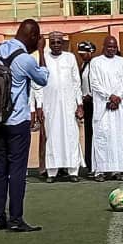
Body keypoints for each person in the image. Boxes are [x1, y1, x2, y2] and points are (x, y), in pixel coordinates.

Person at [0, 19, 49, 231]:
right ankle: (15, 218)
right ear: (33, 37)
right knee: (17, 170)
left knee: (0, 168)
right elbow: (43, 79)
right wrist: (41, 53)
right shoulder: (25, 59)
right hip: (17, 120)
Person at [34, 32, 84, 182]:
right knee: (52, 137)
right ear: (49, 43)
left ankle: (73, 171)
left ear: (63, 43)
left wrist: (79, 104)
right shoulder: (44, 59)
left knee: (71, 136)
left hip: (69, 105)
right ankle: (52, 172)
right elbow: (38, 84)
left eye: (59, 42)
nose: (56, 45)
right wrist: (39, 105)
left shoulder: (70, 58)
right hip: (50, 105)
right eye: (53, 42)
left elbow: (76, 83)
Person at [89, 36, 123, 181]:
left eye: (114, 47)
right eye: (109, 47)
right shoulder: (96, 62)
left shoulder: (122, 61)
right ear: (103, 46)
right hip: (102, 106)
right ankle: (100, 171)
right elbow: (94, 83)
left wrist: (117, 97)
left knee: (117, 138)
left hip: (118, 106)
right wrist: (109, 96)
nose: (111, 49)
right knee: (102, 138)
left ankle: (117, 170)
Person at [77, 41, 97, 173]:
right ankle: (89, 163)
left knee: (95, 132)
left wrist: (91, 95)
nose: (82, 57)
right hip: (86, 102)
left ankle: (95, 162)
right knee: (88, 133)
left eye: (84, 54)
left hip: (94, 102)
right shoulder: (84, 65)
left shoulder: (95, 65)